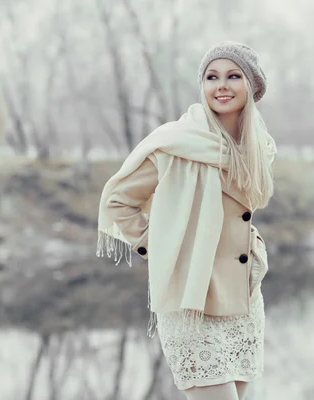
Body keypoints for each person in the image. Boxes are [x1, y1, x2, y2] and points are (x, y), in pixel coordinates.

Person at [96, 41, 277, 400]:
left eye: (232, 76)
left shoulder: (257, 148)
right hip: (191, 301)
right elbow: (116, 202)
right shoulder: (175, 143)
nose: (221, 85)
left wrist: (254, 247)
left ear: (252, 86)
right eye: (212, 77)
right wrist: (161, 248)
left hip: (243, 300)